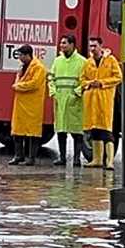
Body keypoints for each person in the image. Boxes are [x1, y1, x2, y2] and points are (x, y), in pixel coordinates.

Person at [80, 37, 124, 170]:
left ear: (101, 46)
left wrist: (102, 83)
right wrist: (89, 83)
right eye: (91, 46)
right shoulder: (88, 62)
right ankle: (97, 159)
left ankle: (109, 161)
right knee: (94, 131)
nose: (92, 49)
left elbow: (118, 77)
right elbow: (81, 79)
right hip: (91, 101)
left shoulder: (111, 60)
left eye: (95, 46)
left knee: (107, 131)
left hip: (105, 101)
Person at [48, 34, 88, 166]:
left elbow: (86, 80)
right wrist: (53, 92)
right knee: (61, 130)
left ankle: (77, 158)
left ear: (72, 44)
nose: (61, 45)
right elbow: (51, 77)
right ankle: (62, 157)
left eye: (64, 43)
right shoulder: (57, 61)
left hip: (74, 101)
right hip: (60, 99)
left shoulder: (82, 61)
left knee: (77, 131)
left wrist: (76, 93)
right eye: (61, 43)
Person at [10, 45, 48, 167]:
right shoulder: (22, 67)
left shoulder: (39, 67)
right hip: (21, 103)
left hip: (33, 104)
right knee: (17, 130)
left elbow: (34, 84)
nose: (19, 58)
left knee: (33, 132)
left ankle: (31, 158)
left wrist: (18, 86)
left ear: (28, 55)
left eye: (21, 55)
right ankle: (18, 155)